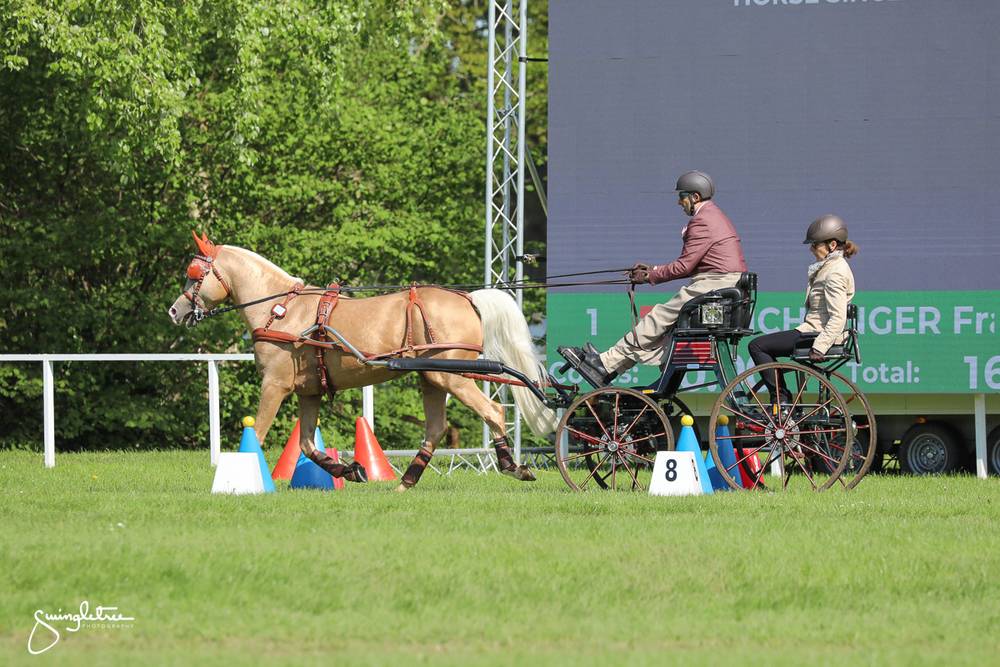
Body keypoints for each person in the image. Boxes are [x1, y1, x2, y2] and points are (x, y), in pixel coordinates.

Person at [560, 170, 748, 388]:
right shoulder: (714, 216)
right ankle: (611, 365)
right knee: (664, 329)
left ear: (695, 197)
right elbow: (691, 265)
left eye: (682, 196)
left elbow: (684, 266)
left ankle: (605, 363)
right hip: (720, 282)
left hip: (716, 283)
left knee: (658, 316)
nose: (679, 202)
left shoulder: (704, 221)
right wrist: (653, 269)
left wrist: (650, 275)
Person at [747, 214, 858, 403]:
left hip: (817, 334)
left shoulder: (835, 272)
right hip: (815, 330)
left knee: (757, 345)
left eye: (815, 244)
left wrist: (820, 347)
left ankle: (781, 399)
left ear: (832, 245)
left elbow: (838, 317)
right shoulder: (831, 267)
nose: (811, 249)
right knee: (763, 345)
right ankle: (782, 397)